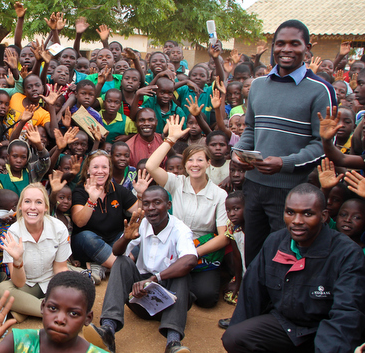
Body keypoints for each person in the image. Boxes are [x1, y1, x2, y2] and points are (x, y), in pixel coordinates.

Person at [231, 20, 336, 267]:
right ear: (273, 47)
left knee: (287, 256)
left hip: (292, 191)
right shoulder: (258, 86)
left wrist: (284, 163)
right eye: (280, 43)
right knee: (254, 254)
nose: (286, 49)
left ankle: (281, 305)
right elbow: (251, 129)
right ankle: (253, 304)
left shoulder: (321, 90)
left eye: (294, 44)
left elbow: (322, 145)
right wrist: (240, 153)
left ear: (307, 48)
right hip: (254, 186)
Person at [222, 184, 365, 353]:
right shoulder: (275, 242)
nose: (297, 221)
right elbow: (251, 295)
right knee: (235, 337)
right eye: (290, 212)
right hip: (287, 326)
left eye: (308, 214)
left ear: (323, 216)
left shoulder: (347, 253)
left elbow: (347, 315)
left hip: (326, 329)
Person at [86, 186, 197, 353]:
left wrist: (155, 279)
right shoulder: (141, 224)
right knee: (122, 261)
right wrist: (126, 238)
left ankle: (173, 343)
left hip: (170, 302)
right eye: (146, 203)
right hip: (141, 299)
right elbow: (116, 252)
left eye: (157, 203)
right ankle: (108, 330)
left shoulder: (180, 230)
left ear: (168, 205)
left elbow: (190, 260)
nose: (151, 208)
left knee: (182, 274)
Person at [146, 116, 229, 308]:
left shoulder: (220, 195)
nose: (195, 164)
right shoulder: (176, 182)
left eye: (200, 159)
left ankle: (184, 284)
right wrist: (170, 139)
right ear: (185, 165)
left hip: (202, 250)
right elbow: (151, 166)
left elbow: (224, 236)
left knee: (207, 299)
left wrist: (192, 252)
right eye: (190, 160)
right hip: (173, 246)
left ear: (208, 163)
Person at [0, 273, 109, 353]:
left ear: (88, 318)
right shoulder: (19, 341)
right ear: (43, 307)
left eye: (73, 314)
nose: (60, 319)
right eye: (53, 309)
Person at [0, 183, 71, 322]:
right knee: (2, 291)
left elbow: (60, 268)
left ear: (46, 207)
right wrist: (18, 261)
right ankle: (52, 312)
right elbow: (18, 283)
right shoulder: (13, 233)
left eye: (38, 202)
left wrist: (66, 288)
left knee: (80, 284)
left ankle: (26, 309)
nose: (32, 207)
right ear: (20, 206)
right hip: (26, 285)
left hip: (51, 281)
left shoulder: (59, 228)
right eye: (27, 201)